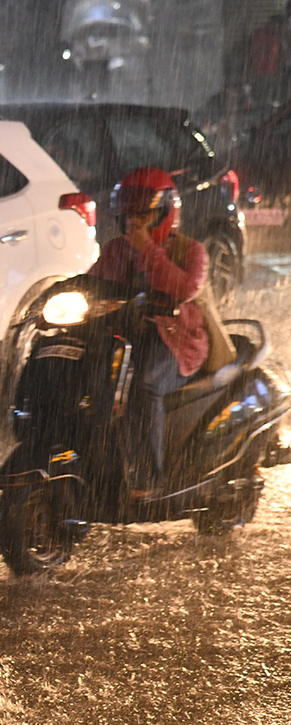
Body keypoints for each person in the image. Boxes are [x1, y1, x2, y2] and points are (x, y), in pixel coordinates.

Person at [88, 167, 209, 498]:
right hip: (124, 337)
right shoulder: (115, 249)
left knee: (143, 385)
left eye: (144, 213)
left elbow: (184, 288)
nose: (135, 221)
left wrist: (147, 250)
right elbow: (93, 283)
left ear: (165, 213)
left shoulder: (190, 251)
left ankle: (147, 478)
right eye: (130, 214)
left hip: (173, 341)